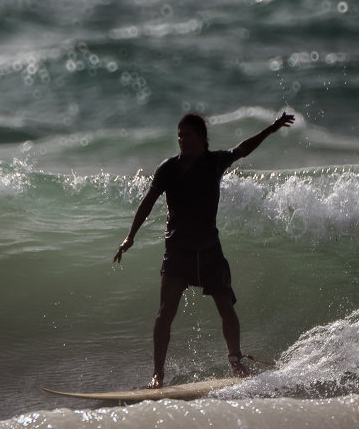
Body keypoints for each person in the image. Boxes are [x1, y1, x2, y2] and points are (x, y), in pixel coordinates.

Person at [113, 110, 295, 388]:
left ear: (201, 137)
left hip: (209, 251)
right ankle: (157, 375)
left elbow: (242, 149)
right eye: (179, 135)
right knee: (165, 313)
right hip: (178, 252)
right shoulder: (168, 169)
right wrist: (130, 236)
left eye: (187, 134)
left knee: (226, 307)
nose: (181, 139)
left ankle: (236, 363)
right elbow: (148, 202)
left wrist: (271, 128)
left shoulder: (215, 162)